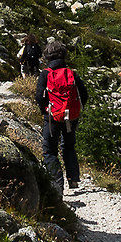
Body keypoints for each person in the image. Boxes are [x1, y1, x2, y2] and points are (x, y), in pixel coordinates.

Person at [35, 38, 87, 194]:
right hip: (71, 117)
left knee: (49, 150)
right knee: (68, 146)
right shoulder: (71, 73)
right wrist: (76, 112)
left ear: (47, 56)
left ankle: (57, 184)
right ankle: (73, 180)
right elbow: (84, 94)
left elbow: (39, 96)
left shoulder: (46, 74)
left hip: (52, 117)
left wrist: (45, 111)